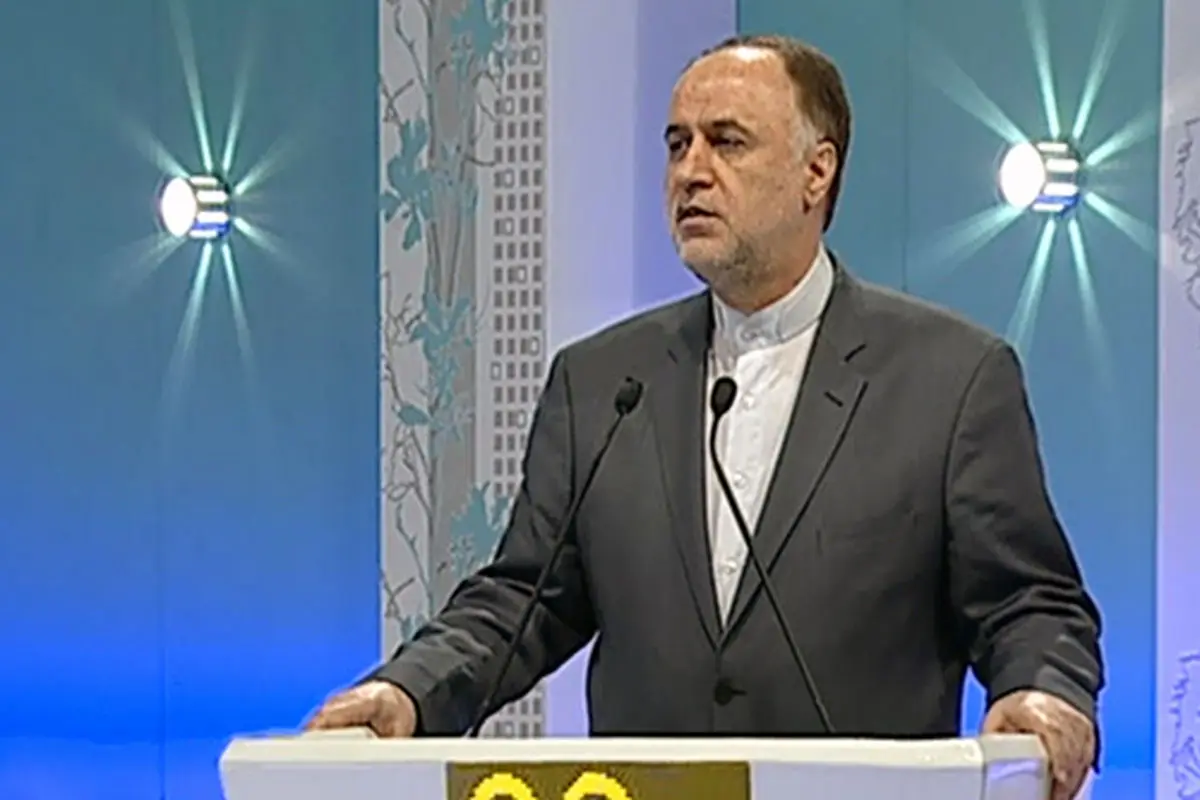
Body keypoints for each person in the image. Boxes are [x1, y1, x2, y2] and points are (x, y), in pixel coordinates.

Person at [308, 33, 1103, 800]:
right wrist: (406, 691)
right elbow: (524, 597)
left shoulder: (951, 378)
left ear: (816, 172)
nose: (691, 171)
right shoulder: (601, 383)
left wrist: (1043, 694)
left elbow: (1027, 601)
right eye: (676, 144)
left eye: (727, 142)